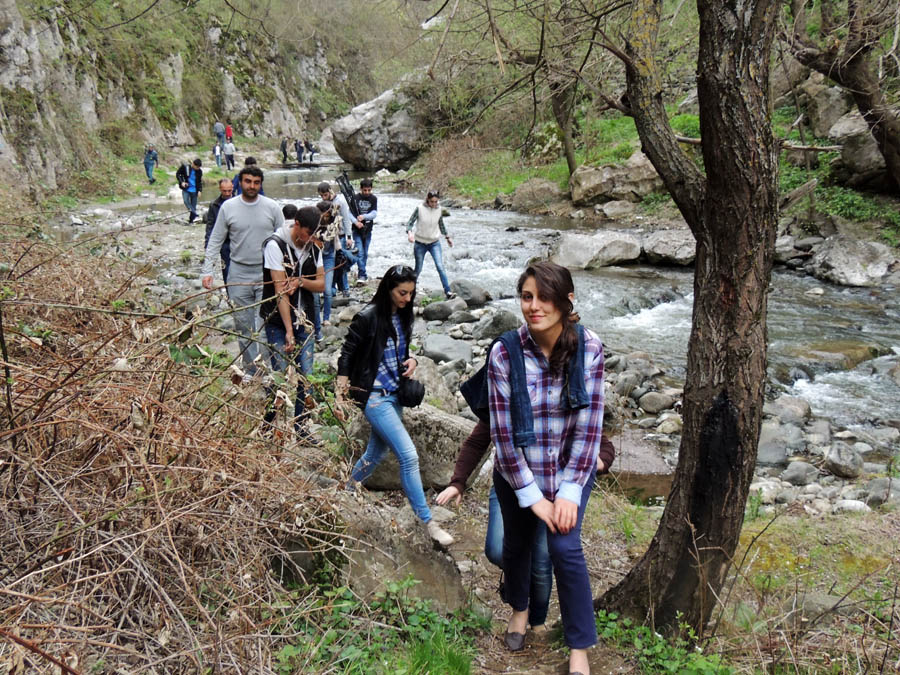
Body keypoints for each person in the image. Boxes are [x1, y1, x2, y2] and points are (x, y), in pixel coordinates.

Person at [488, 261, 604, 675]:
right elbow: (502, 435)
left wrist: (570, 491)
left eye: (544, 297)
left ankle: (579, 647)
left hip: (570, 468)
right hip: (518, 471)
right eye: (526, 296)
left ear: (567, 301)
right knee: (516, 544)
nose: (534, 306)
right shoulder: (505, 351)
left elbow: (589, 428)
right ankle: (519, 609)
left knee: (564, 548)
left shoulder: (589, 347)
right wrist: (533, 498)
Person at [436, 422, 615, 636]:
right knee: (497, 549)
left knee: (540, 560)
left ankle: (536, 621)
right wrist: (458, 482)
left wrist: (597, 463)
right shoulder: (505, 397)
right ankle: (517, 581)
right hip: (509, 484)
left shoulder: (558, 403)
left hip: (548, 492)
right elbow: (477, 440)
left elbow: (602, 445)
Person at [336, 265, 454, 547]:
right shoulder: (367, 317)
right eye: (402, 293)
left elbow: (401, 352)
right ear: (388, 289)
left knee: (375, 453)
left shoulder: (402, 316)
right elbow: (347, 355)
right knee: (409, 456)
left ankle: (346, 490)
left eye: (411, 294)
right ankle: (428, 522)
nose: (407, 298)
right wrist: (340, 395)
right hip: (375, 397)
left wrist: (411, 360)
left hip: (394, 394)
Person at [202, 165, 282, 370]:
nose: (252, 186)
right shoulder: (228, 208)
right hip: (237, 272)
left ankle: (266, 370)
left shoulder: (272, 207)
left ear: (261, 184)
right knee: (243, 326)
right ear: (240, 182)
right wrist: (208, 271)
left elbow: (284, 240)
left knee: (263, 327)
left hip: (266, 273)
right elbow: (215, 240)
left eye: (256, 182)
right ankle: (250, 370)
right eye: (248, 181)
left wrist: (288, 273)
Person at [260, 206, 324, 439]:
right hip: (277, 320)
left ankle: (301, 427)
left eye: (313, 234)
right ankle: (268, 425)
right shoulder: (274, 245)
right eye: (307, 233)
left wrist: (300, 281)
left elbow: (321, 284)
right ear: (296, 224)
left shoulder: (313, 247)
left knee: (305, 375)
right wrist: (288, 330)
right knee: (279, 376)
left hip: (305, 320)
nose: (309, 238)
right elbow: (280, 291)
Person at [316, 182, 355, 325]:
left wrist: (349, 237)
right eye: (321, 196)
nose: (323, 198)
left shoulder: (340, 203)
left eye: (325, 195)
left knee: (341, 266)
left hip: (336, 243)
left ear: (330, 191)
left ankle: (344, 290)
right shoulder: (319, 211)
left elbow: (346, 219)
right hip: (320, 252)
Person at [406, 191, 455, 299]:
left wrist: (447, 237)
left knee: (440, 266)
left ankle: (448, 292)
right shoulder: (419, 208)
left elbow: (441, 224)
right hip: (420, 243)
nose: (434, 204)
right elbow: (410, 223)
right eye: (432, 202)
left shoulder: (439, 209)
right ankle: (410, 289)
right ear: (427, 200)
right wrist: (409, 233)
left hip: (434, 243)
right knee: (418, 269)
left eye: (436, 202)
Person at [205, 178, 234, 283]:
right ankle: (229, 293)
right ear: (220, 189)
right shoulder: (214, 205)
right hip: (224, 243)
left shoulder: (240, 201)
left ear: (233, 188)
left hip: (239, 241)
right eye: (224, 191)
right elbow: (210, 226)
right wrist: (208, 245)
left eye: (229, 191)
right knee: (226, 270)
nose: (227, 193)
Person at [351, 178, 377, 283]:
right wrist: (356, 222)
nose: (367, 192)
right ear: (361, 189)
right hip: (356, 230)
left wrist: (364, 217)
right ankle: (362, 275)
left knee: (365, 253)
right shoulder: (355, 198)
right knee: (360, 252)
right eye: (365, 190)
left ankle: (359, 269)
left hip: (368, 230)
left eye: (369, 190)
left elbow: (374, 213)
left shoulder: (373, 199)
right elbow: (349, 213)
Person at [176, 158, 203, 224]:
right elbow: (178, 174)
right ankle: (195, 213)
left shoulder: (199, 171)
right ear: (193, 164)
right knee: (186, 201)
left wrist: (199, 190)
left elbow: (199, 182)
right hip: (186, 189)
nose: (198, 168)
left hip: (194, 190)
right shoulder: (185, 167)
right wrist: (182, 182)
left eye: (199, 167)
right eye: (197, 167)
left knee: (193, 206)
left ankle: (191, 221)